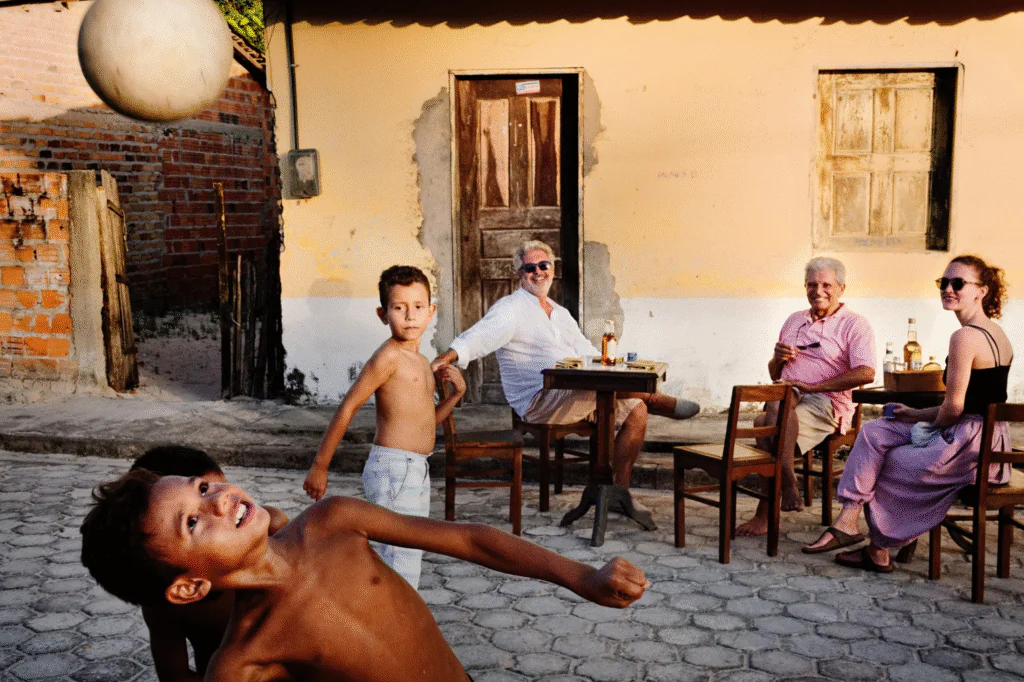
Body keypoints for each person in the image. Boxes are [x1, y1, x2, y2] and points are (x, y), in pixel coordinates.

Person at [79, 471, 650, 682]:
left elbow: (470, 539)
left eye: (203, 487)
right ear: (187, 586)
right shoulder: (244, 660)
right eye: (194, 521)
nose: (220, 498)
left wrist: (582, 577)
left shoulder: (333, 522)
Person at [432, 240, 700, 489]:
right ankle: (660, 400)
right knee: (613, 392)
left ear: (553, 269)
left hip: (575, 393)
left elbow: (586, 351)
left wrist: (614, 366)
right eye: (529, 268)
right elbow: (480, 337)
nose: (538, 272)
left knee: (637, 410)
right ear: (519, 274)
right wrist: (447, 357)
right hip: (540, 401)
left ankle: (619, 492)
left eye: (543, 265)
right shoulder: (510, 309)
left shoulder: (559, 313)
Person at [803, 255, 1013, 571]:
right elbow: (965, 405)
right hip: (983, 434)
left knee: (893, 461)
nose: (949, 289)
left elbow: (955, 409)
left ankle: (880, 549)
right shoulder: (997, 333)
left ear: (981, 291)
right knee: (876, 431)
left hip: (971, 445)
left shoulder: (964, 337)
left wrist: (925, 427)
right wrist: (911, 414)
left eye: (959, 283)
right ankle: (848, 521)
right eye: (945, 282)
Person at [303, 265, 465, 588]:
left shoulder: (420, 361)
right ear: (383, 313)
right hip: (394, 469)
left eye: (418, 307)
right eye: (399, 308)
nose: (410, 316)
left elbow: (425, 422)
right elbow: (349, 406)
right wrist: (320, 466)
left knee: (409, 552)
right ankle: (395, 628)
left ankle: (395, 624)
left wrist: (458, 393)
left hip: (416, 468)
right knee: (399, 559)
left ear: (431, 311)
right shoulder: (388, 358)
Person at [736, 257, 876, 536]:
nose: (818, 291)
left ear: (841, 288)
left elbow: (866, 373)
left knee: (763, 425)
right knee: (779, 397)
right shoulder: (794, 320)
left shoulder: (855, 324)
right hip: (790, 392)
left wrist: (815, 387)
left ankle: (766, 511)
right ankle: (787, 474)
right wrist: (777, 359)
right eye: (812, 285)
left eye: (826, 285)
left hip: (825, 400)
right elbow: (776, 372)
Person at [127, 447, 289, 682]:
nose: (223, 502)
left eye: (206, 489)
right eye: (192, 522)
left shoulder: (273, 529)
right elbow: (174, 677)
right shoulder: (164, 604)